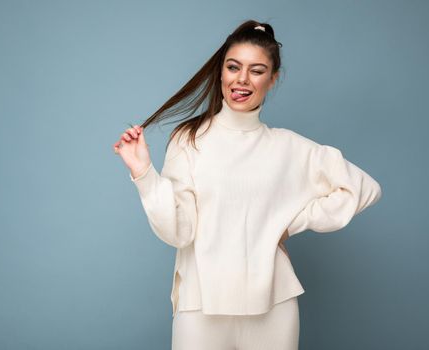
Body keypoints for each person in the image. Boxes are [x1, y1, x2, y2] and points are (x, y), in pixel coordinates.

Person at [113, 19, 382, 350]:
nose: (241, 79)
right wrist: (143, 173)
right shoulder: (189, 139)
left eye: (256, 70)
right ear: (221, 72)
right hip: (200, 304)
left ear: (272, 79)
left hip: (274, 304)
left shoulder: (288, 147)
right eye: (233, 67)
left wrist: (291, 222)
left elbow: (365, 188)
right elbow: (178, 232)